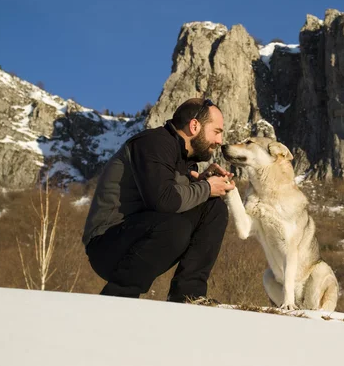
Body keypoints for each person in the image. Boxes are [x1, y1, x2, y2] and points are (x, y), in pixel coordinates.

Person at [82, 98, 235, 302]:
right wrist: (207, 188)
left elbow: (172, 200)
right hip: (107, 245)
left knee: (213, 208)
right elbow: (163, 201)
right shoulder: (153, 143)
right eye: (216, 131)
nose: (219, 141)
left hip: (143, 235)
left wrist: (203, 185)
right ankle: (117, 298)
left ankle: (188, 295)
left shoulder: (185, 161)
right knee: (175, 225)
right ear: (194, 125)